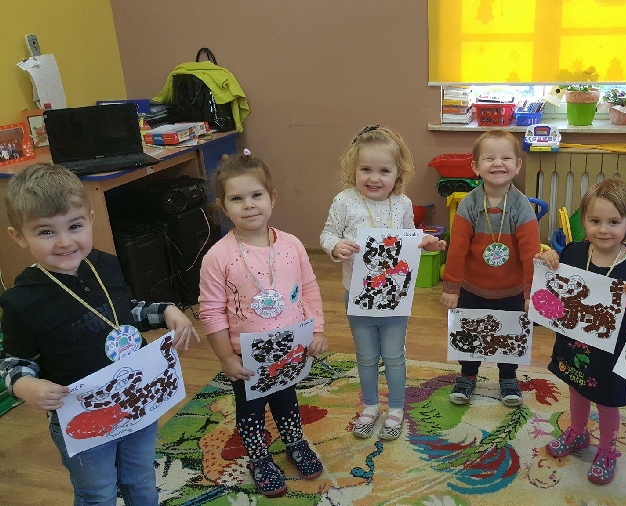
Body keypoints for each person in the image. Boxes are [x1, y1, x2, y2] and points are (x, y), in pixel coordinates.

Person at [0, 163, 199, 506]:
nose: (65, 242)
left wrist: (167, 310)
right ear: (19, 236)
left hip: (136, 401)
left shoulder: (106, 264)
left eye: (75, 226)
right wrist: (24, 385)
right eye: (45, 232)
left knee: (140, 476)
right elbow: (13, 361)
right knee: (98, 492)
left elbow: (126, 312)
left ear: (90, 220)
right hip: (81, 417)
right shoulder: (22, 301)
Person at [198, 149, 328, 498]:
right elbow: (211, 312)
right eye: (237, 199)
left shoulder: (292, 245)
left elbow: (309, 288)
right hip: (247, 356)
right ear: (223, 207)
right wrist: (227, 358)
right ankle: (258, 458)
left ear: (272, 198)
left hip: (290, 348)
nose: (249, 205)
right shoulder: (218, 257)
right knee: (251, 409)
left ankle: (294, 442)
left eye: (256, 195)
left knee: (287, 399)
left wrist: (317, 329)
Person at [320, 125, 445, 441]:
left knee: (393, 356)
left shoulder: (402, 203)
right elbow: (328, 234)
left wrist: (425, 242)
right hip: (358, 297)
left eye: (384, 171)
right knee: (365, 357)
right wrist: (335, 246)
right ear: (353, 169)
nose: (374, 178)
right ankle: (371, 407)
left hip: (394, 299)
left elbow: (410, 240)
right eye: (366, 169)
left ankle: (396, 410)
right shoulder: (344, 201)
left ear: (398, 173)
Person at [536, 179, 626, 485]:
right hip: (574, 343)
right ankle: (578, 433)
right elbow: (553, 284)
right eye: (595, 221)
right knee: (576, 387)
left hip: (611, 351)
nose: (604, 230)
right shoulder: (573, 253)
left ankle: (607, 450)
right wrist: (547, 259)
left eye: (614, 222)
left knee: (607, 401)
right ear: (584, 221)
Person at [440, 130, 541, 407]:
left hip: (511, 290)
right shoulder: (469, 205)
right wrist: (451, 287)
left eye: (506, 158)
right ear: (475, 167)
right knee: (469, 333)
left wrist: (531, 294)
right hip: (472, 288)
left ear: (518, 165)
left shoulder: (522, 207)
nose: (498, 163)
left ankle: (508, 377)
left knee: (509, 335)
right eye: (489, 158)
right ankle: (467, 375)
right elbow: (457, 249)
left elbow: (531, 255)